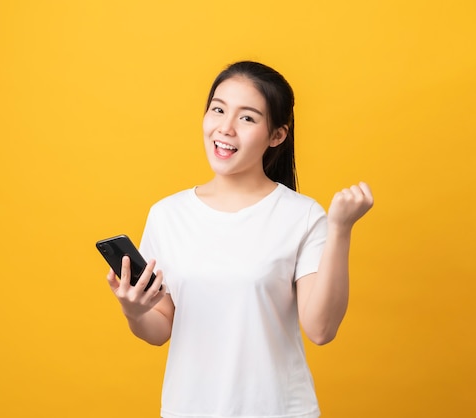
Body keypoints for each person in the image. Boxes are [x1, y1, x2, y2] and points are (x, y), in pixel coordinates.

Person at [106, 61, 374, 418]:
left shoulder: (303, 215)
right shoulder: (166, 215)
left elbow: (321, 329)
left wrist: (341, 229)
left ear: (277, 135)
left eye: (247, 118)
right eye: (218, 110)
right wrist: (133, 310)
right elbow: (159, 329)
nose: (225, 128)